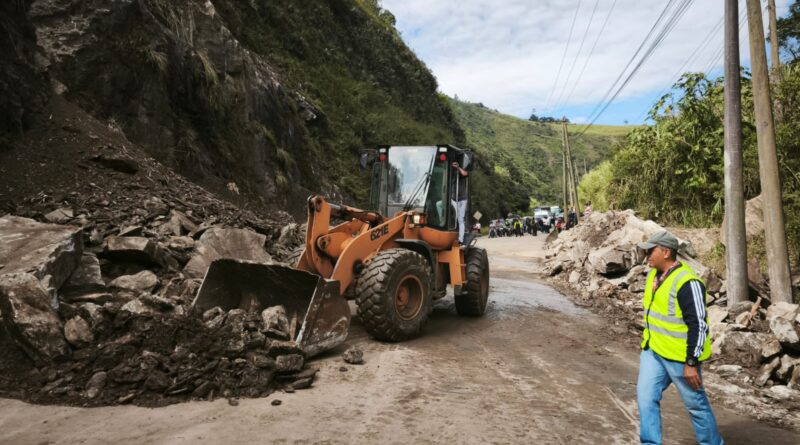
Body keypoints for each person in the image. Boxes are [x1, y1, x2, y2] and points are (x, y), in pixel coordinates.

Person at [636, 231, 722, 445]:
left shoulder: (687, 282)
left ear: (666, 252)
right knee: (646, 399)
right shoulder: (652, 276)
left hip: (680, 357)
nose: (646, 255)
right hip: (653, 351)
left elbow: (699, 325)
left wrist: (691, 362)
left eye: (650, 250)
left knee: (696, 405)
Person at [450, 160, 469, 245]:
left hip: (462, 199)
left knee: (460, 219)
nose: (453, 165)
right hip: (454, 199)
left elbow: (465, 174)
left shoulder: (460, 173)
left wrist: (458, 168)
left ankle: (460, 239)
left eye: (455, 164)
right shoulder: (450, 173)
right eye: (452, 164)